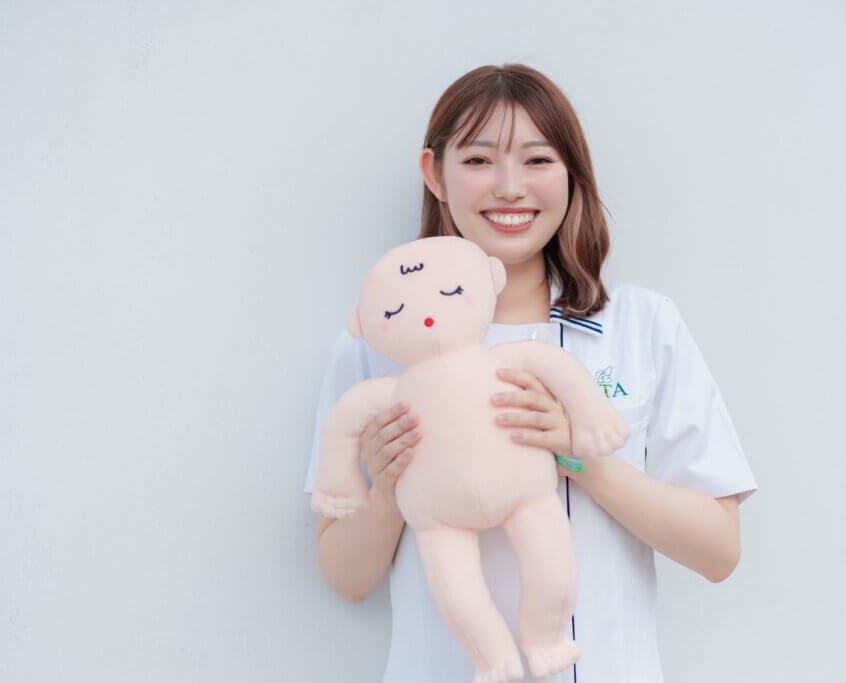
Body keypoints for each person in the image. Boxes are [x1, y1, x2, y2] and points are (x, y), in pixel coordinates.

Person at [304, 63, 758, 683]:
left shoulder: (641, 324)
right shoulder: (378, 346)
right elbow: (346, 577)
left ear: (571, 174)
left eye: (538, 160)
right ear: (434, 174)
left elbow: (719, 551)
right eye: (478, 160)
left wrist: (580, 457)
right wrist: (388, 491)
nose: (510, 188)